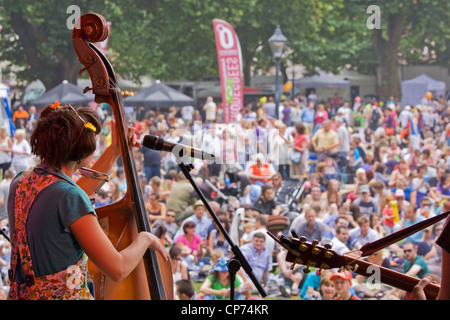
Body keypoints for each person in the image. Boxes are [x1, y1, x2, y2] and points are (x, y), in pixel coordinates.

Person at [7, 103, 168, 300]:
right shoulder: (67, 196)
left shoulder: (21, 182)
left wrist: (114, 150)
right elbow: (117, 269)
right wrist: (145, 238)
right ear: (84, 148)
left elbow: (66, 199)